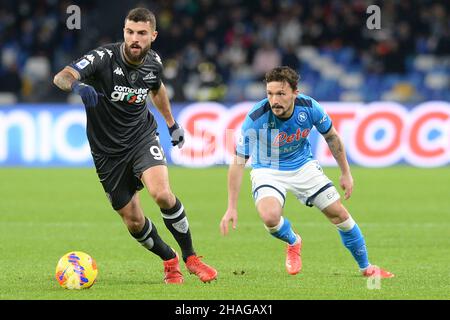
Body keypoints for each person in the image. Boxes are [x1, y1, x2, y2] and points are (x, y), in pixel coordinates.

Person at [53, 7, 217, 284]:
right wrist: (79, 87)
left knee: (162, 194)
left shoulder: (154, 62)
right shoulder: (103, 58)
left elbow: (156, 88)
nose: (134, 39)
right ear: (124, 32)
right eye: (130, 32)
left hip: (141, 137)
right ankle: (169, 259)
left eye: (141, 33)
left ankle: (191, 258)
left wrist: (171, 123)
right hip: (106, 153)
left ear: (153, 35)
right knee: (133, 221)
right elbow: (61, 77)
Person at [220, 66, 394, 279]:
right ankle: (293, 241)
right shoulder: (257, 118)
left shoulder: (310, 107)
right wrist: (231, 207)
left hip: (303, 165)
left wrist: (345, 173)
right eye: (270, 93)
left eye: (281, 94)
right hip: (268, 168)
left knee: (339, 214)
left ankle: (366, 268)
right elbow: (238, 161)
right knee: (270, 217)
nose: (274, 100)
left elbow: (332, 137)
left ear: (295, 93)